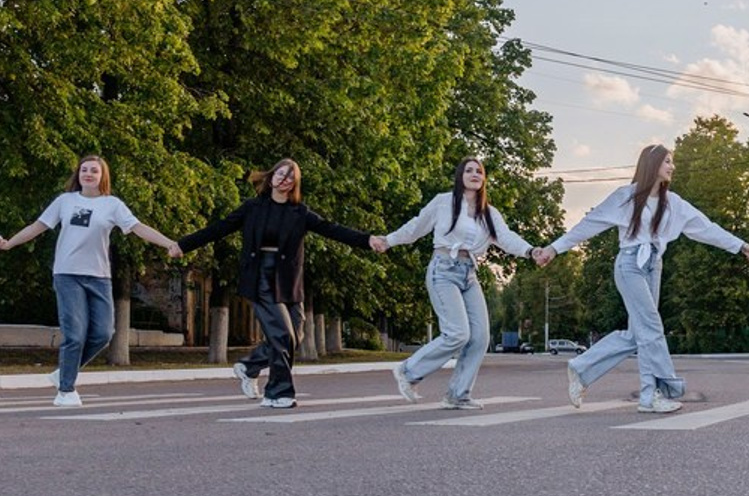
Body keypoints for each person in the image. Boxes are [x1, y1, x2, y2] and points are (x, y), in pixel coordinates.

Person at [535, 144, 749, 414]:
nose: (672, 167)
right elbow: (589, 224)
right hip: (630, 264)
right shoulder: (626, 197)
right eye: (667, 161)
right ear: (652, 165)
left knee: (639, 334)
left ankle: (583, 368)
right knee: (651, 327)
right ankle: (655, 392)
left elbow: (707, 228)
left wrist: (742, 246)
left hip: (654, 265)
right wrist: (553, 248)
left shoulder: (674, 204)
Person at [172, 159, 376, 409]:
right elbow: (219, 229)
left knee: (295, 335)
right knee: (281, 335)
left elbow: (333, 230)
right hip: (261, 277)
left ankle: (250, 366)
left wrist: (368, 241)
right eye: (281, 173)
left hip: (289, 281)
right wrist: (183, 245)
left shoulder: (300, 213)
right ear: (271, 177)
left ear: (294, 184)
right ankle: (277, 393)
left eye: (290, 177)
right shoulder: (253, 208)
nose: (284, 179)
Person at [0, 155, 177, 407]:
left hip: (99, 277)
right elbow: (37, 226)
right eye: (84, 170)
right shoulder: (65, 201)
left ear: (103, 176)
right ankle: (65, 390)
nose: (88, 174)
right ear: (78, 174)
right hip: (67, 274)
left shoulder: (112, 205)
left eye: (94, 170)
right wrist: (9, 243)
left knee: (104, 334)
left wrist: (169, 243)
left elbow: (139, 227)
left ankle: (64, 372)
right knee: (75, 334)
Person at [375, 156, 539, 409]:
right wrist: (389, 240)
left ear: (484, 179)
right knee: (458, 334)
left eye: (479, 172)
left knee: (481, 336)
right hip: (443, 269)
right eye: (469, 170)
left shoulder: (489, 214)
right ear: (460, 176)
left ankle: (458, 394)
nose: (475, 174)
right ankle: (408, 371)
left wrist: (531, 251)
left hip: (469, 274)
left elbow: (507, 238)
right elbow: (416, 227)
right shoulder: (443, 202)